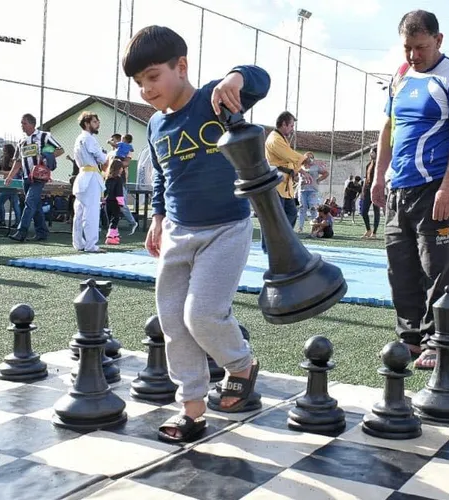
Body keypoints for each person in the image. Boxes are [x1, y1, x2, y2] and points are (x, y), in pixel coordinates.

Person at [123, 25, 270, 441]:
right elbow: (161, 178)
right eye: (139, 83)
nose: (146, 89)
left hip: (226, 227)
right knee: (173, 320)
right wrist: (156, 218)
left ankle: (240, 364)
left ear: (181, 66)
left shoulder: (214, 97)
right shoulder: (154, 125)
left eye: (153, 77)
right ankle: (191, 409)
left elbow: (261, 79)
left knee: (201, 313)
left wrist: (236, 77)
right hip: (177, 230)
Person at [369, 10, 449, 370]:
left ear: (439, 40)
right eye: (407, 47)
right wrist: (378, 176)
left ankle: (437, 340)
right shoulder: (399, 76)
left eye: (421, 47)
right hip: (398, 189)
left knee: (438, 269)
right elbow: (388, 129)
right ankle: (409, 337)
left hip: (435, 187)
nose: (414, 55)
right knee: (400, 268)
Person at [6, 113, 64, 242]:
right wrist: (10, 176)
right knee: (35, 205)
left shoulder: (44, 136)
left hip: (39, 177)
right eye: (22, 123)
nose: (22, 126)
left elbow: (60, 149)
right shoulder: (21, 141)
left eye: (24, 123)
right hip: (25, 177)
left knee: (29, 201)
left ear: (32, 124)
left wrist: (46, 156)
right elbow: (18, 161)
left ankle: (22, 231)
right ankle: (42, 232)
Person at [265, 111, 310, 235]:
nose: (292, 129)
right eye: (291, 126)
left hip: (284, 185)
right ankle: (273, 244)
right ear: (284, 124)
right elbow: (289, 156)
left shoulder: (281, 139)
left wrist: (300, 171)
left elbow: (287, 161)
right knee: (276, 218)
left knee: (291, 213)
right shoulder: (275, 139)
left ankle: (284, 240)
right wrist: (306, 160)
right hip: (276, 184)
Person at [70, 112, 108, 253]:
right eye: (95, 121)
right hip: (90, 177)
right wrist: (108, 156)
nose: (98, 124)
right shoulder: (89, 138)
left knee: (79, 211)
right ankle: (91, 245)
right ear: (87, 123)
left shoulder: (79, 138)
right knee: (91, 212)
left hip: (82, 175)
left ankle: (78, 243)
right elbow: (101, 158)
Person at [0, 144, 21, 227]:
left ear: (8, 151)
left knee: (0, 203)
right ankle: (18, 222)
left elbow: (13, 172)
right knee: (15, 203)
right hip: (11, 183)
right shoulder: (7, 159)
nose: (3, 152)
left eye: (5, 150)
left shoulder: (12, 160)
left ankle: (2, 221)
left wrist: (0, 172)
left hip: (10, 184)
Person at [298, 160, 328, 232]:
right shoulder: (300, 166)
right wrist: (299, 181)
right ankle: (300, 227)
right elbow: (294, 176)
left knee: (313, 208)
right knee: (302, 209)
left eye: (311, 157)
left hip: (313, 190)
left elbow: (326, 173)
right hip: (302, 190)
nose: (309, 158)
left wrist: (319, 180)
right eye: (307, 156)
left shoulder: (316, 167)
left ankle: (313, 227)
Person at [360, 148, 381, 239]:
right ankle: (368, 230)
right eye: (370, 153)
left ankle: (374, 233)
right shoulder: (368, 165)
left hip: (377, 190)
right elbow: (365, 179)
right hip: (368, 190)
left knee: (376, 211)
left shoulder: (380, 164)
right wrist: (363, 190)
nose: (370, 154)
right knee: (364, 211)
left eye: (372, 152)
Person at [104, 159, 126, 245]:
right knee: (115, 219)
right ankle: (110, 237)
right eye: (121, 168)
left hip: (107, 201)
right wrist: (121, 202)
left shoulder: (107, 178)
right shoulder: (118, 179)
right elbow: (119, 191)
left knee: (111, 219)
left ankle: (115, 236)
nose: (122, 169)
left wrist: (103, 200)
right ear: (118, 168)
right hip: (115, 202)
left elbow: (105, 191)